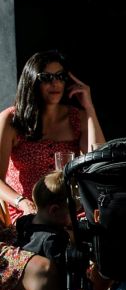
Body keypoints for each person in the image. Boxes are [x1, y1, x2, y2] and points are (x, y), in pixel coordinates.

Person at [0, 49, 106, 223]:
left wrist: (89, 108)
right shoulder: (11, 120)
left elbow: (99, 160)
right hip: (28, 210)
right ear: (32, 80)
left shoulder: (76, 117)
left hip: (68, 209)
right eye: (46, 78)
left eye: (60, 76)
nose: (55, 83)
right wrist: (21, 202)